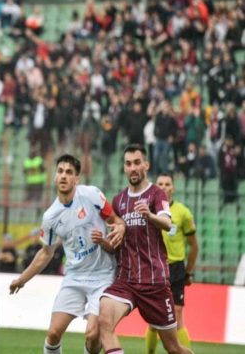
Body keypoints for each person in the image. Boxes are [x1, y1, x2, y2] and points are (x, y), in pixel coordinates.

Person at [9, 154, 125, 354]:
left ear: (77, 179)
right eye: (60, 171)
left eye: (69, 172)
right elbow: (46, 253)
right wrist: (22, 279)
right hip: (74, 277)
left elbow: (115, 220)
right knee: (53, 333)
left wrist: (120, 227)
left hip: (103, 276)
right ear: (55, 177)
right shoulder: (50, 216)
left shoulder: (92, 195)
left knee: (93, 335)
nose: (64, 176)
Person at [98, 144, 193, 354]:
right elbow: (115, 243)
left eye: (137, 163)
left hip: (154, 283)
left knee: (173, 347)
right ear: (124, 167)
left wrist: (149, 216)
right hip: (126, 281)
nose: (132, 168)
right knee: (104, 320)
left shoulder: (157, 194)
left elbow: (167, 223)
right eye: (128, 164)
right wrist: (106, 242)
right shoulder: (118, 201)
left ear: (146, 165)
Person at [145, 173, 199, 353]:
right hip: (154, 267)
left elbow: (194, 246)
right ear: (155, 187)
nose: (164, 187)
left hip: (175, 268)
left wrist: (188, 272)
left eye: (167, 184)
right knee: (153, 320)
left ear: (173, 188)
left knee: (177, 314)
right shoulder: (148, 211)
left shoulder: (183, 213)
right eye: (160, 184)